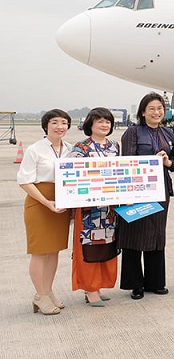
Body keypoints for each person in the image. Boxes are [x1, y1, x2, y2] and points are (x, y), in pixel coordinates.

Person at [119, 92, 174, 299]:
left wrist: (167, 162)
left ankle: (155, 282)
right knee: (135, 234)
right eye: (151, 109)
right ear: (143, 112)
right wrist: (149, 161)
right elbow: (127, 162)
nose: (156, 112)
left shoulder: (167, 133)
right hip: (137, 191)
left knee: (156, 234)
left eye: (160, 108)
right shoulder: (133, 132)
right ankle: (135, 284)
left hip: (161, 190)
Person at [17, 109, 73, 315]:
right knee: (40, 251)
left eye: (64, 123)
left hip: (61, 203)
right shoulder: (35, 149)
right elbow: (24, 181)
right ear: (46, 126)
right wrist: (46, 202)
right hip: (39, 202)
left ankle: (47, 291)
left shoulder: (70, 149)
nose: (60, 126)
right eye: (55, 122)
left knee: (54, 250)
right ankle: (40, 295)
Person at [68, 107, 120, 306]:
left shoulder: (115, 146)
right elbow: (70, 173)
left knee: (106, 247)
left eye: (107, 121)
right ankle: (90, 289)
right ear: (90, 124)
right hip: (89, 210)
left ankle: (98, 285)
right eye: (100, 121)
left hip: (109, 210)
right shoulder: (81, 147)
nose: (104, 125)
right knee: (89, 248)